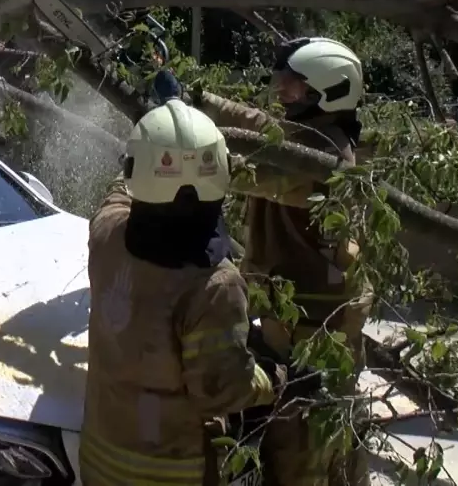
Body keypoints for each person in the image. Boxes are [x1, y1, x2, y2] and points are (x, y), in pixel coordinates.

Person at [80, 98, 302, 486]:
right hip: (172, 472)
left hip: (100, 461)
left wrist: (157, 143)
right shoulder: (215, 285)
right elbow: (219, 391)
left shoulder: (106, 234)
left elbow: (121, 189)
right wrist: (275, 375)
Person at [196, 36, 373, 486]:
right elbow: (255, 121)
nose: (282, 93)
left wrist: (179, 151)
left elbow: (253, 176)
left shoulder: (325, 158)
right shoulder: (306, 134)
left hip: (315, 334)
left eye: (293, 87)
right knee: (332, 440)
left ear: (327, 90)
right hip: (298, 325)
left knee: (302, 449)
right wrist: (196, 98)